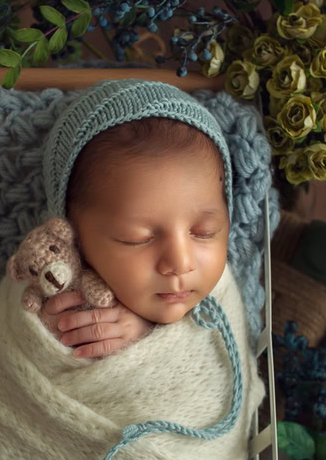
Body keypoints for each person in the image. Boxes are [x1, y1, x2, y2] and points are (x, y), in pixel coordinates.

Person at [38, 95, 233, 359]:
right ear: (71, 234)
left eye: (204, 232)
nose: (180, 262)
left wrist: (147, 336)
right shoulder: (47, 281)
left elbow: (222, 369)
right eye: (136, 238)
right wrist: (48, 335)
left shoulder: (223, 298)